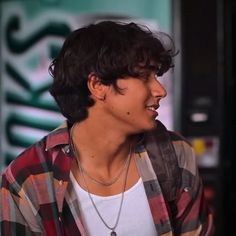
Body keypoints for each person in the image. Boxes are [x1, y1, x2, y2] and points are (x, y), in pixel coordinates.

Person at [0, 21, 213, 235]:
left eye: (156, 76)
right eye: (145, 77)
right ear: (98, 85)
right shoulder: (28, 178)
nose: (160, 91)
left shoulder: (174, 154)